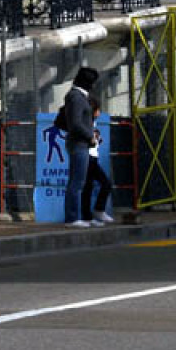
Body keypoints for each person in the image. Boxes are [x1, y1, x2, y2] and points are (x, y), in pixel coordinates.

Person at [63, 66, 99, 228]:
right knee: (76, 182)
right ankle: (72, 218)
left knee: (80, 182)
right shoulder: (77, 98)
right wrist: (89, 136)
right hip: (79, 143)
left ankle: (81, 216)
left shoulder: (77, 96)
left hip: (80, 143)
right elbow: (76, 123)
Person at [81, 96, 114, 225]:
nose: (100, 112)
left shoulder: (93, 123)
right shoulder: (86, 123)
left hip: (93, 158)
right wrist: (92, 140)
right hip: (87, 158)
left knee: (104, 184)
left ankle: (97, 211)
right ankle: (88, 217)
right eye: (98, 110)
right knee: (88, 187)